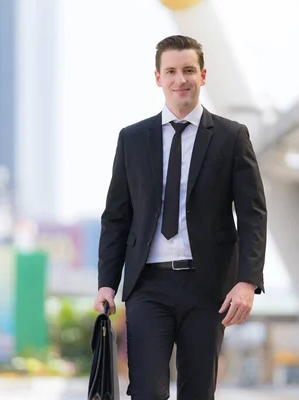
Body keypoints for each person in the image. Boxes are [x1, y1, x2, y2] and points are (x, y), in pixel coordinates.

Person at [93, 34, 267, 400]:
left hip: (208, 287)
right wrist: (107, 283)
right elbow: (116, 218)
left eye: (188, 70)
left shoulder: (232, 137)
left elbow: (252, 214)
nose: (180, 79)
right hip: (147, 286)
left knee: (198, 393)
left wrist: (247, 282)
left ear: (203, 75)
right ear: (158, 78)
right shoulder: (132, 139)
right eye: (170, 71)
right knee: (147, 392)